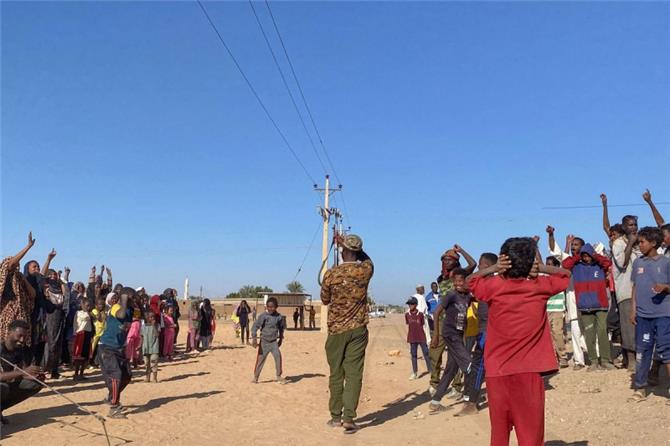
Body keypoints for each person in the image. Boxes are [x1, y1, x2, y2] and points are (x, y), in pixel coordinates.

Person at [469, 237, 571, 446]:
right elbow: (566, 275)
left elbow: (471, 281)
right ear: (530, 262)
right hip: (529, 371)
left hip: (497, 372)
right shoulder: (540, 286)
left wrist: (494, 269)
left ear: (505, 260)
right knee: (530, 435)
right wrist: (540, 268)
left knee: (499, 434)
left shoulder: (493, 286)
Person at [321, 234, 373, 434]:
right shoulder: (365, 270)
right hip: (358, 329)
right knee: (354, 374)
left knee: (336, 373)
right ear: (358, 251)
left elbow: (325, 300)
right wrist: (354, 248)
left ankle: (336, 416)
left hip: (336, 331)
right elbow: (369, 261)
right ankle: (349, 418)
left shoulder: (331, 274)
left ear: (343, 252)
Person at [629, 226, 670, 402]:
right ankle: (640, 387)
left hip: (663, 315)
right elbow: (635, 287)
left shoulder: (666, 262)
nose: (640, 245)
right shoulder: (638, 263)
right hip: (643, 316)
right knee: (643, 350)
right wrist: (633, 309)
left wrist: (665, 287)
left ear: (653, 243)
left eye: (642, 242)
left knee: (666, 350)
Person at [429, 245, 476, 395]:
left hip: (458, 320)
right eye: (444, 260)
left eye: (450, 260)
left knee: (456, 354)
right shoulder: (441, 278)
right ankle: (434, 382)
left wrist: (461, 250)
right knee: (435, 352)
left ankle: (456, 385)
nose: (447, 262)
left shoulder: (459, 276)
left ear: (456, 262)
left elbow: (473, 264)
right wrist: (435, 333)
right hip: (442, 320)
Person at [455, 252, 498, 417]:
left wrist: (492, 269)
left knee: (479, 366)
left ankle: (471, 403)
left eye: (480, 265)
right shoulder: (487, 281)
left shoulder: (491, 282)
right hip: (485, 329)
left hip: (487, 331)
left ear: (486, 266)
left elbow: (466, 282)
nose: (478, 268)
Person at [562, 242, 613, 370]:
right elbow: (565, 264)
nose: (586, 258)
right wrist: (577, 256)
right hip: (585, 306)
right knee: (589, 334)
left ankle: (605, 360)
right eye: (584, 255)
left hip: (601, 305)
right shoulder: (576, 266)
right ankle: (594, 361)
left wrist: (595, 256)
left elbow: (608, 263)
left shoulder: (599, 265)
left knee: (602, 332)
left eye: (588, 255)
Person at [428, 268, 472, 413]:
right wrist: (435, 335)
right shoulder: (451, 295)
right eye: (456, 281)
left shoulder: (468, 297)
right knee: (470, 365)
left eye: (461, 281)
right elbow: (436, 311)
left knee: (451, 370)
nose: (458, 284)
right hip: (450, 333)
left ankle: (435, 402)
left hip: (459, 335)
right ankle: (469, 399)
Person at [547, 225, 588, 370]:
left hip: (589, 302)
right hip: (573, 302)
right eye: (572, 245)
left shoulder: (589, 261)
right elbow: (556, 252)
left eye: (576, 245)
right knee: (575, 333)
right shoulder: (568, 262)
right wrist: (551, 235)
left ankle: (595, 357)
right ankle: (578, 361)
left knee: (589, 332)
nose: (573, 247)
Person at [98, 287, 134, 419]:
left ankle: (111, 396)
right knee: (116, 374)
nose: (133, 300)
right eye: (131, 297)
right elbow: (121, 315)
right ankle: (114, 407)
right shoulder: (115, 307)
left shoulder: (130, 311)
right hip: (107, 347)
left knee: (127, 375)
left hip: (119, 348)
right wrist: (123, 298)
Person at [0, 233, 37, 358]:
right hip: (6, 314)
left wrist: (23, 280)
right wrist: (28, 247)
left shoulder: (19, 279)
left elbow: (32, 295)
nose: (15, 266)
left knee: (21, 344)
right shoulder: (3, 275)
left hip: (21, 315)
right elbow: (9, 264)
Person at [611, 215, 640, 370]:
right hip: (626, 290)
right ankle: (631, 360)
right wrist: (630, 242)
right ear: (623, 227)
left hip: (642, 290)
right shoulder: (618, 243)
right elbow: (622, 262)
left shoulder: (639, 243)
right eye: (630, 225)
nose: (633, 227)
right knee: (628, 326)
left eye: (635, 224)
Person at [0, 320, 44, 424]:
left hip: (5, 385)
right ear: (9, 332)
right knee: (2, 388)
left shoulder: (21, 350)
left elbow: (19, 375)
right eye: (19, 336)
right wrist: (23, 372)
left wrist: (32, 376)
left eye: (25, 337)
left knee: (34, 384)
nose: (22, 340)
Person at [42, 263, 69, 379]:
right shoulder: (46, 288)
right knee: (51, 343)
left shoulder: (60, 288)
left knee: (58, 344)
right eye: (51, 275)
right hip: (50, 317)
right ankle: (46, 369)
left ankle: (54, 370)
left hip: (60, 317)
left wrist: (63, 283)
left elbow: (66, 297)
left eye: (54, 275)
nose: (53, 277)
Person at [251, 297, 286, 384]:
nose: (270, 308)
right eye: (268, 307)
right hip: (264, 342)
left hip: (274, 342)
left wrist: (281, 339)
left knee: (278, 357)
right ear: (266, 306)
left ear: (276, 307)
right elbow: (255, 327)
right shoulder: (263, 316)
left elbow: (281, 329)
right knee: (260, 360)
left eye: (272, 307)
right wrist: (254, 338)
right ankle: (256, 377)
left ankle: (278, 376)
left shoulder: (279, 317)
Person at [544, 257, 569, 368]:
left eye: (550, 264)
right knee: (548, 335)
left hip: (558, 310)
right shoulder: (544, 278)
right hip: (546, 310)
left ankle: (563, 357)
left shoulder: (559, 277)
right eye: (547, 264)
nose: (548, 266)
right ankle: (552, 358)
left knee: (557, 333)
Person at [405, 297, 431, 380]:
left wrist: (427, 337)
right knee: (414, 355)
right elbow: (408, 324)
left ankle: (430, 370)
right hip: (412, 337)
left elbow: (423, 325)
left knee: (426, 353)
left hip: (421, 337)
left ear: (416, 305)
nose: (410, 305)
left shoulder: (420, 314)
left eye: (412, 304)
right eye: (409, 304)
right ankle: (415, 372)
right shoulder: (407, 315)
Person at [72, 299, 93, 381]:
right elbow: (85, 318)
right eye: (87, 305)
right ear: (82, 305)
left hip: (87, 335)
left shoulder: (88, 314)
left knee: (85, 356)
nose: (88, 307)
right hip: (81, 335)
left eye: (89, 306)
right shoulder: (79, 313)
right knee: (79, 356)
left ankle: (81, 374)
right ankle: (76, 374)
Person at [141, 311, 160, 383]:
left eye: (153, 317)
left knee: (154, 363)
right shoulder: (143, 327)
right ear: (147, 318)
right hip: (145, 348)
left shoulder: (157, 325)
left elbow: (157, 335)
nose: (152, 318)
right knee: (146, 364)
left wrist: (153, 326)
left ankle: (154, 378)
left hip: (154, 348)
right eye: (150, 317)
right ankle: (147, 377)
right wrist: (140, 346)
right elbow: (141, 337)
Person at [90, 297, 107, 368]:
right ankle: (89, 362)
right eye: (100, 304)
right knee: (92, 348)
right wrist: (99, 311)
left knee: (99, 349)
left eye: (103, 304)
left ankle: (96, 362)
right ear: (96, 305)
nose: (101, 306)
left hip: (102, 333)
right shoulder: (94, 311)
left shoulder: (103, 312)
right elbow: (99, 319)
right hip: (95, 334)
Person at [125, 297, 142, 368]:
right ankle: (129, 363)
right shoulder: (127, 309)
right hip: (132, 328)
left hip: (135, 327)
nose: (133, 303)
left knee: (135, 347)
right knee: (129, 346)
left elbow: (137, 317)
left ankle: (134, 363)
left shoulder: (136, 308)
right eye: (132, 302)